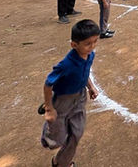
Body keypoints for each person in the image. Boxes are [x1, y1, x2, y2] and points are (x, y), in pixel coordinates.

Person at [40, 19, 100, 166]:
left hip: (79, 97)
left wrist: (90, 86)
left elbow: (84, 73)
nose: (92, 46)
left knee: (76, 134)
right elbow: (48, 84)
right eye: (88, 43)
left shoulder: (90, 55)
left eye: (95, 41)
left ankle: (61, 162)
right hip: (62, 100)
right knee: (56, 140)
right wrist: (49, 108)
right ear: (74, 45)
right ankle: (48, 117)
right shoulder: (66, 65)